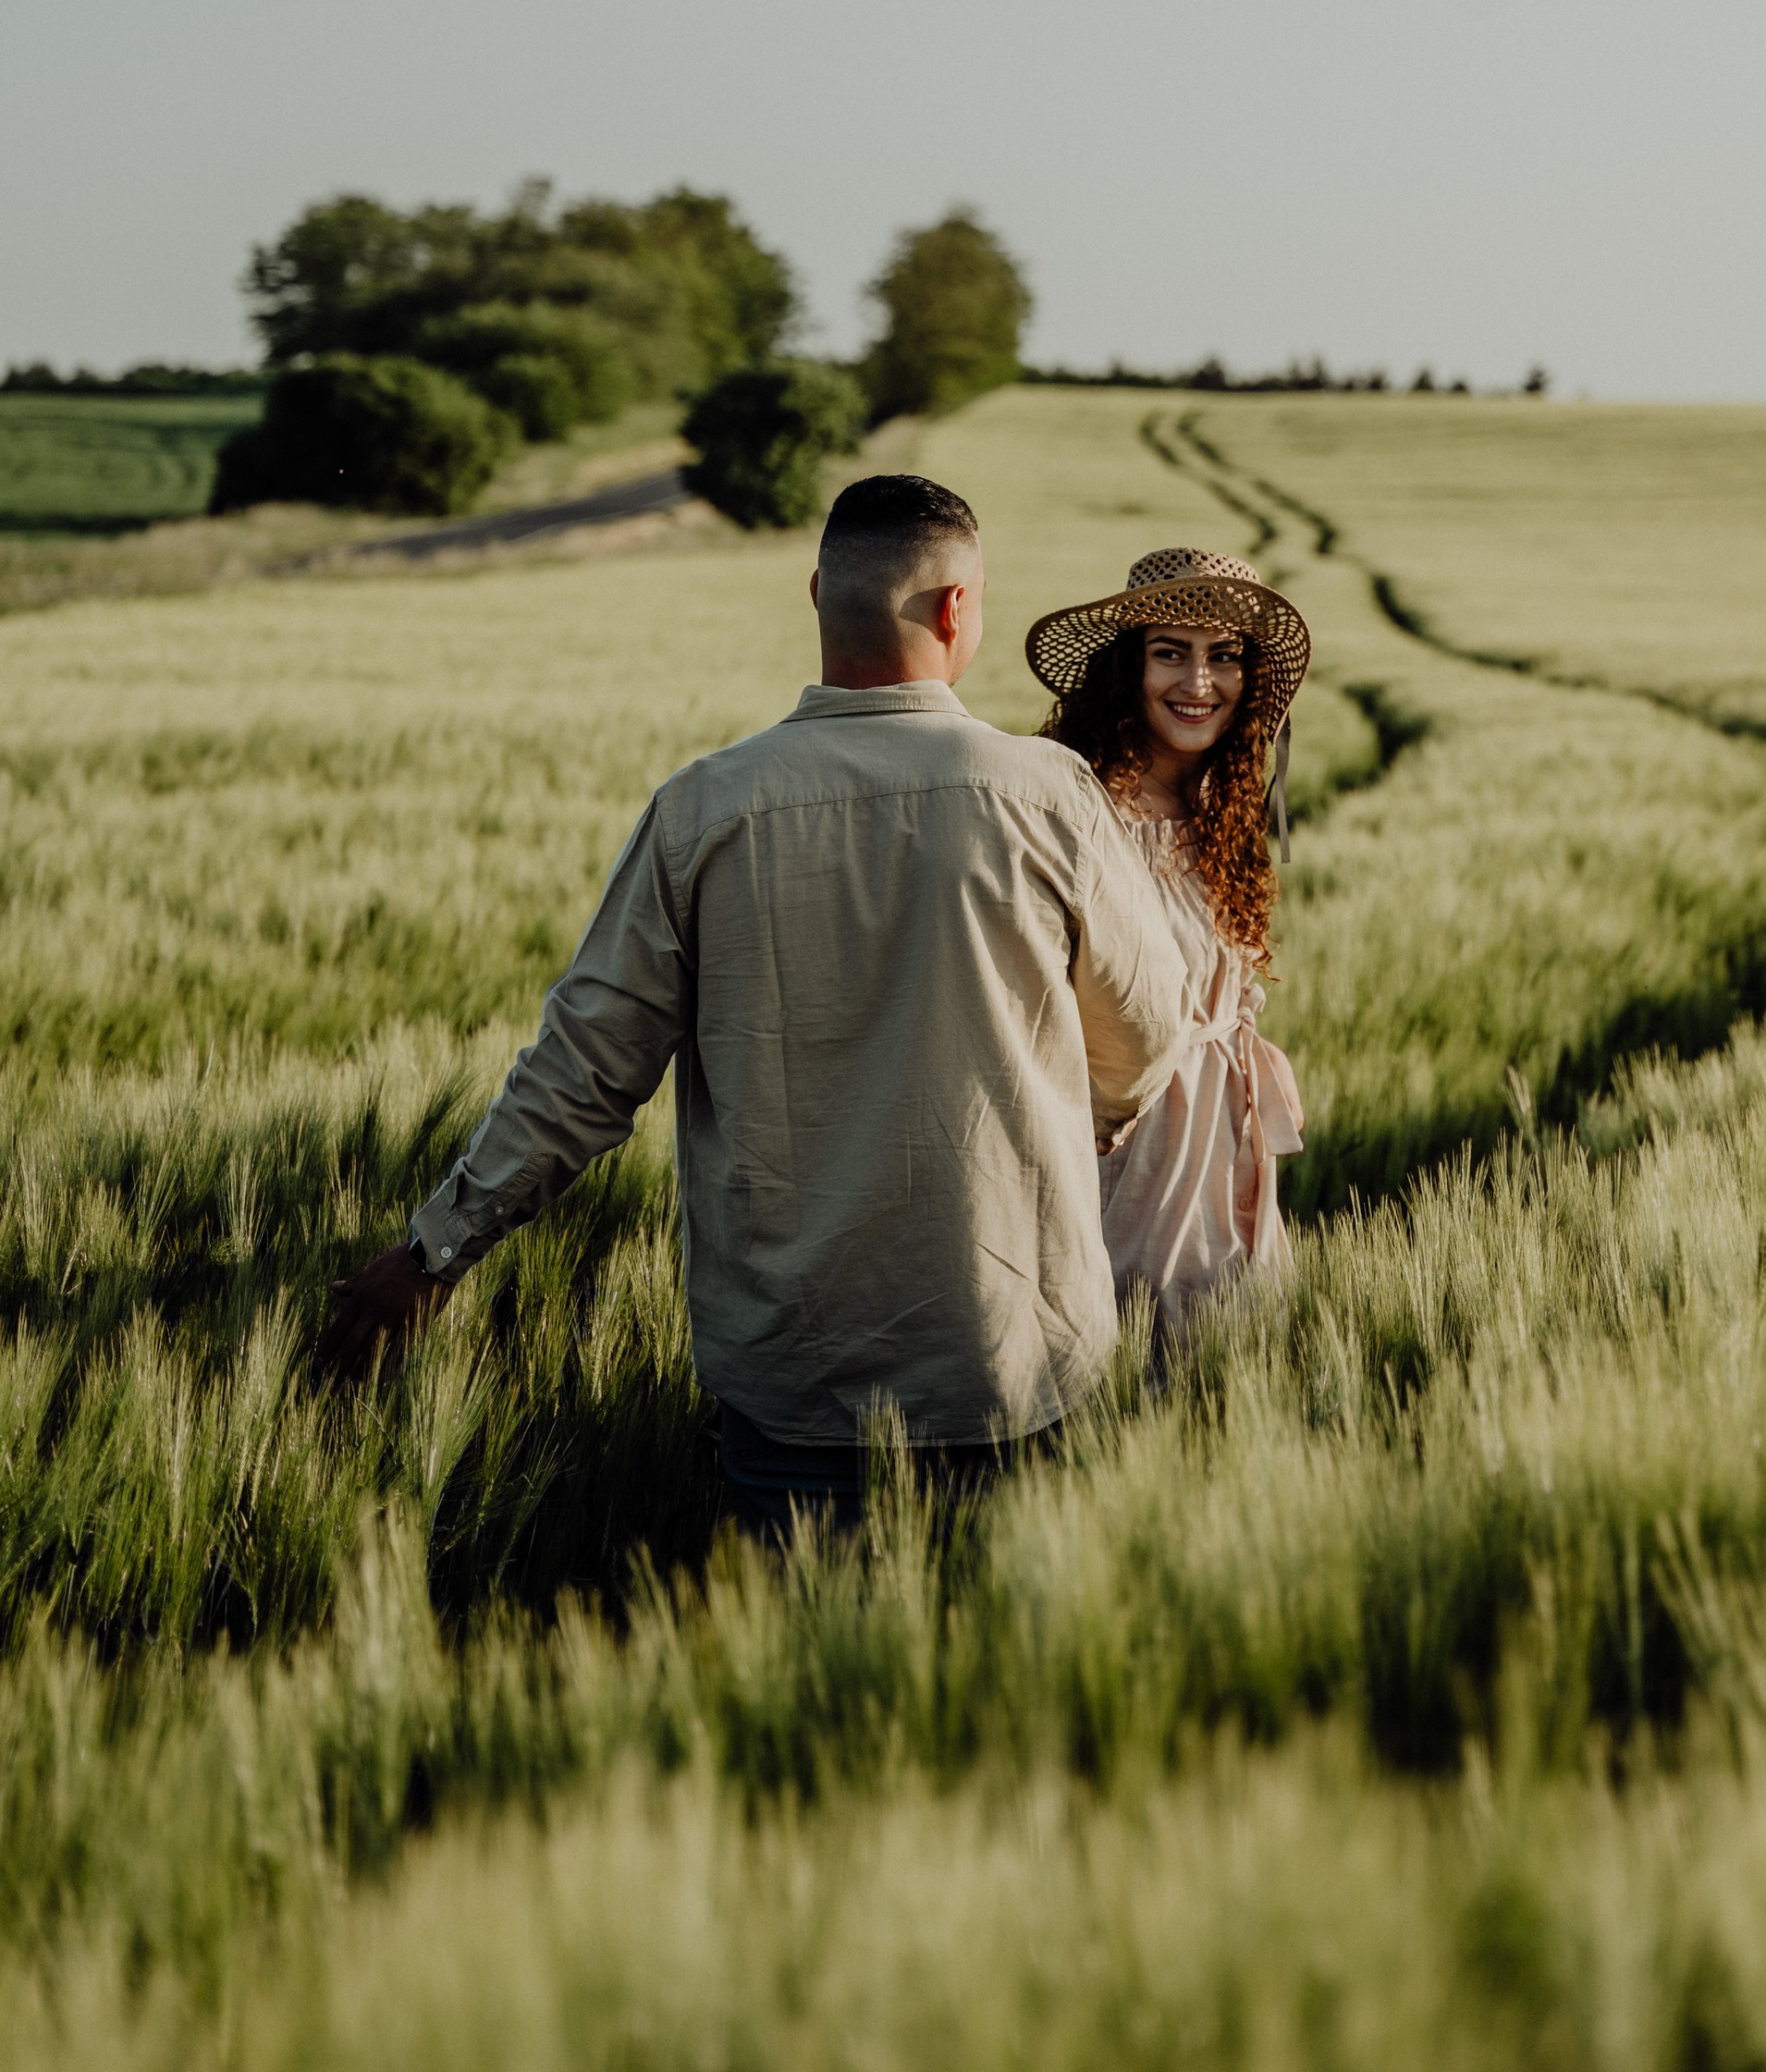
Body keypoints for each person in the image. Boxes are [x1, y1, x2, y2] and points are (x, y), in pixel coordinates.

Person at [316, 473, 1192, 1536]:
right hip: (1012, 1356)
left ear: (819, 592)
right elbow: (1146, 1036)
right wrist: (1063, 1121)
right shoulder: (1048, 794)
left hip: (796, 1378)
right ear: (958, 609)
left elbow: (582, 1072)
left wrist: (430, 1254)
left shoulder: (703, 809)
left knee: (804, 1674)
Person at [1025, 545, 1310, 1343]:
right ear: (1127, 667)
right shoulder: (1082, 809)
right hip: (1128, 1147)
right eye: (1170, 654)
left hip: (1226, 1144)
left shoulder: (1221, 805)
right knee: (1137, 1353)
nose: (1198, 683)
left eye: (1224, 657)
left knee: (1231, 1361)